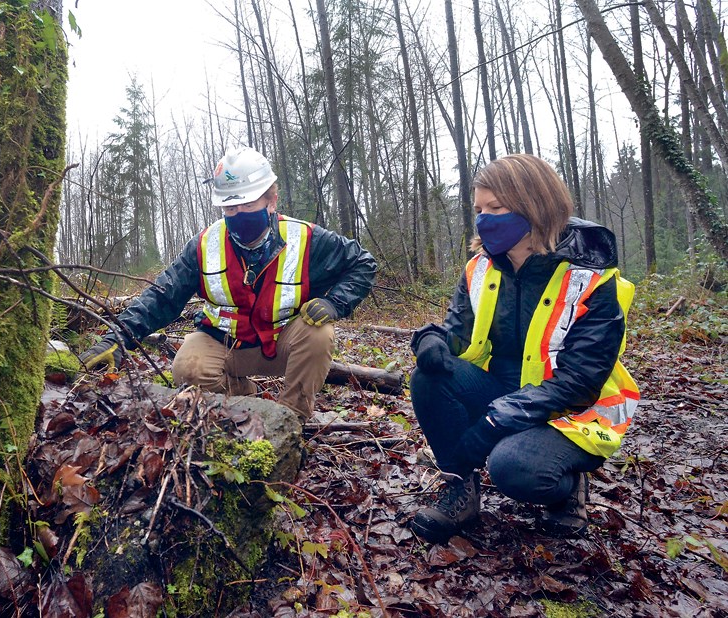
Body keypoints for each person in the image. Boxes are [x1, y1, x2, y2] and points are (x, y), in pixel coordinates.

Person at [409, 153, 639, 542]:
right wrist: (431, 339)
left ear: (534, 204)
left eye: (495, 208)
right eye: (479, 209)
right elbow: (459, 334)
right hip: (502, 392)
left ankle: (567, 488)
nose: (484, 219)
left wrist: (496, 421)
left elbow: (581, 381)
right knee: (428, 377)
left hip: (573, 411)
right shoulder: (480, 268)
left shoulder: (591, 278)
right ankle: (460, 490)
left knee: (513, 469)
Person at [79, 146, 377, 421]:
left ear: (270, 201)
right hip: (225, 343)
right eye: (230, 208)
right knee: (187, 368)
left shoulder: (307, 239)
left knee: (319, 333)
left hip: (285, 343)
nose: (238, 215)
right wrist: (117, 337)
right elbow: (162, 296)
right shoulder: (205, 245)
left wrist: (334, 302)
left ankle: (291, 418)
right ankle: (249, 403)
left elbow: (362, 263)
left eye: (247, 204)